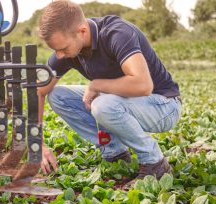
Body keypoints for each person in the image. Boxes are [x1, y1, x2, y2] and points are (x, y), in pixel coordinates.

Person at [37, 0, 182, 187]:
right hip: (125, 101)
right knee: (57, 96)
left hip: (164, 105)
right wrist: (37, 145)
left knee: (102, 105)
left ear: (82, 31)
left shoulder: (117, 33)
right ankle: (115, 153)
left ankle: (155, 163)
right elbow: (38, 91)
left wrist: (97, 85)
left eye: (63, 48)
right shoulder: (67, 51)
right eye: (55, 50)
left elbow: (143, 85)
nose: (59, 56)